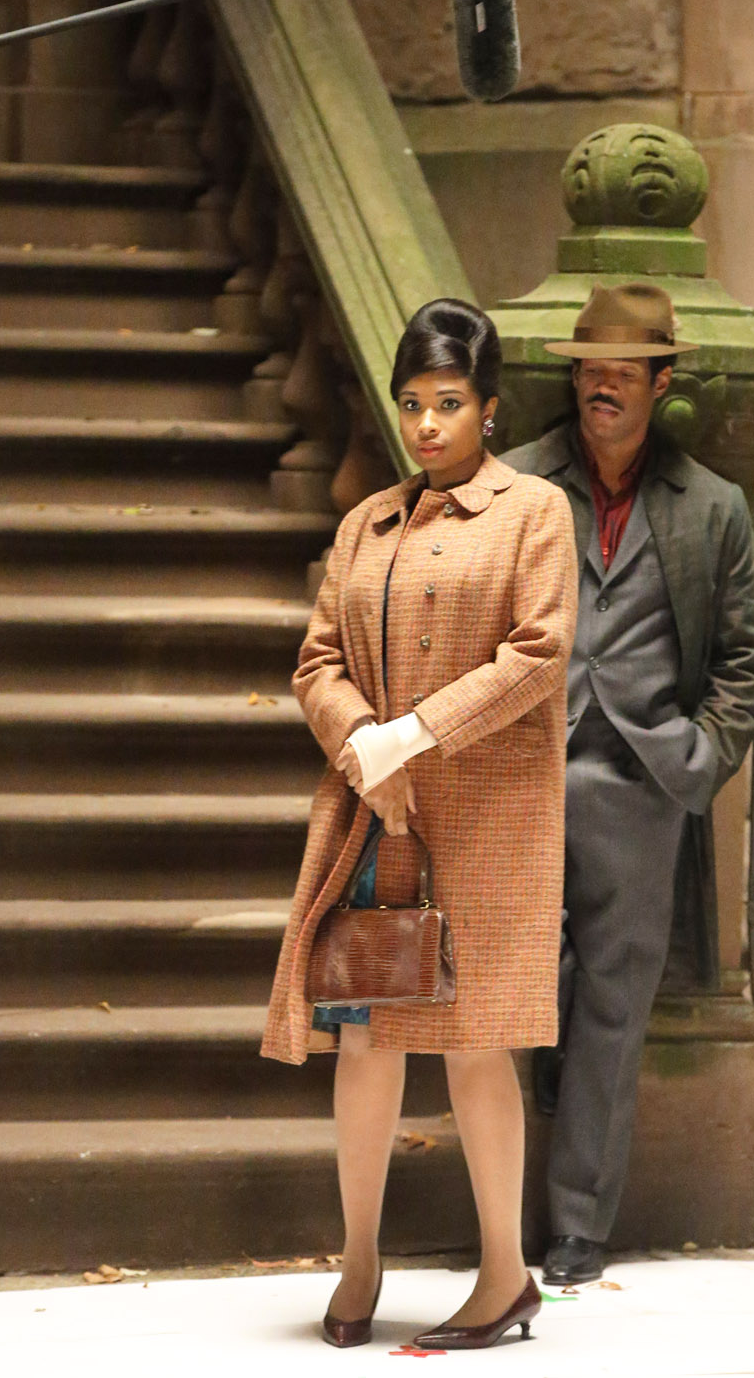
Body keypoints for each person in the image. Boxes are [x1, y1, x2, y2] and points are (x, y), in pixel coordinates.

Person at [261, 298, 578, 1350]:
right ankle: (359, 1258)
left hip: (482, 819)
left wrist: (416, 737)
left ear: (489, 409)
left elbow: (536, 657)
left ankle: (503, 1272)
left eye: (448, 403)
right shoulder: (368, 523)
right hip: (374, 816)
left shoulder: (532, 511)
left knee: (479, 1046)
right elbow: (315, 662)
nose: (428, 423)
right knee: (365, 1035)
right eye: (411, 403)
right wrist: (363, 744)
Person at [502, 281, 754, 1287]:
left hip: (640, 778)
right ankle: (496, 1204)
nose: (600, 389)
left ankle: (577, 1225)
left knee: (616, 1005)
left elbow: (746, 655)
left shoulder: (712, 507)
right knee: (520, 988)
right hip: (521, 770)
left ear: (662, 385)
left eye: (622, 374)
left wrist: (701, 757)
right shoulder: (519, 482)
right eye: (588, 372)